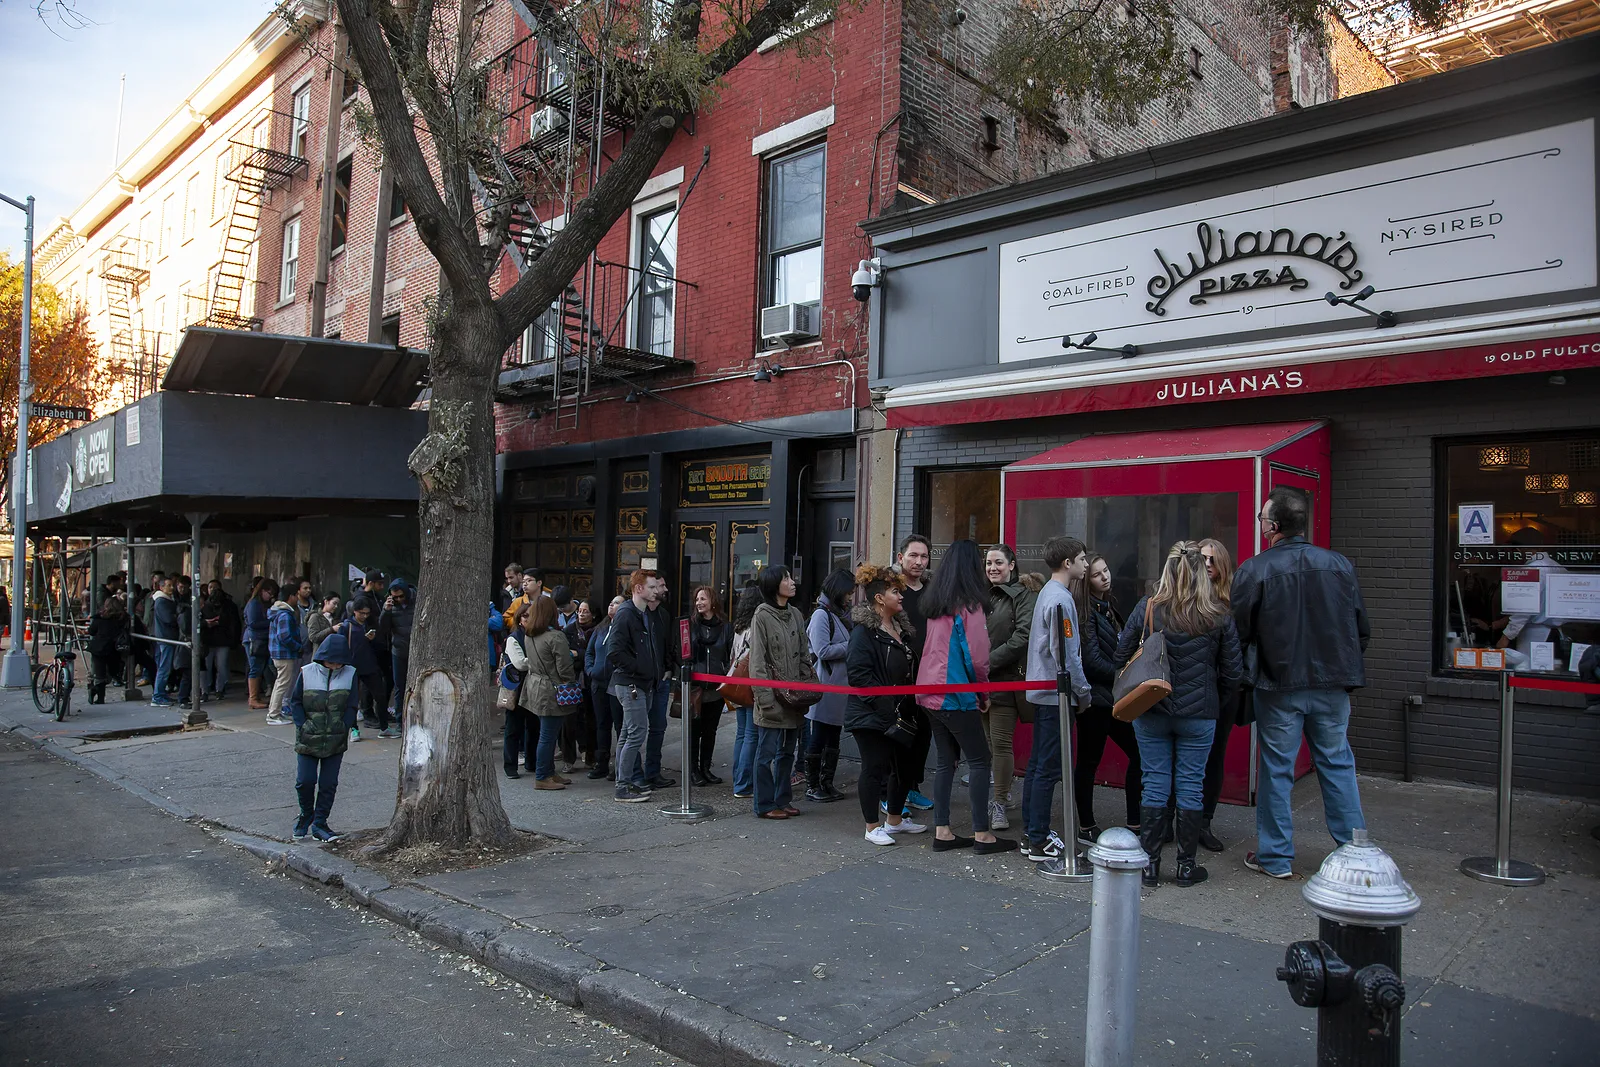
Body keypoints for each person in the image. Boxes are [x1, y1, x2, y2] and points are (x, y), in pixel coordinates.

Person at [1233, 486, 1369, 882]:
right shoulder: (1339, 565)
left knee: (1276, 769)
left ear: (1273, 526)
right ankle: (1355, 851)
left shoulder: (1254, 569)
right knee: (1337, 763)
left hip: (1278, 686)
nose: (1260, 524)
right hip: (1332, 683)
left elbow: (1237, 633)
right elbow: (1360, 628)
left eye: (1262, 519)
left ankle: (1275, 857)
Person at [1116, 542, 1242, 888]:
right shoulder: (1217, 614)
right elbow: (1233, 673)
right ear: (1202, 573)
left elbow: (1121, 653)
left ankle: (1150, 865)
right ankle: (1187, 867)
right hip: (1200, 714)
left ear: (1166, 571)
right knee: (1191, 786)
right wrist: (1213, 698)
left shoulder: (1148, 608)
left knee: (1154, 783)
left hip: (1152, 709)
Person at [916, 539, 1014, 854]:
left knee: (946, 760)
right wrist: (983, 692)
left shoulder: (937, 603)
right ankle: (982, 834)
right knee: (980, 759)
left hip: (928, 691)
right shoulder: (970, 605)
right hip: (954, 693)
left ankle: (943, 831)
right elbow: (978, 659)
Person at [1021, 536, 1093, 863]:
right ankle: (1037, 837)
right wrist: (1083, 692)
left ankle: (1032, 832)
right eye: (1082, 558)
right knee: (1048, 767)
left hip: (1043, 691)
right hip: (1055, 695)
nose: (1086, 564)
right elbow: (1066, 655)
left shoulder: (1047, 594)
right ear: (1068, 563)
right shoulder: (1061, 600)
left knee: (1038, 766)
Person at [846, 564, 927, 845]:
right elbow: (858, 676)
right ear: (880, 598)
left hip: (900, 711)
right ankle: (871, 826)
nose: (901, 596)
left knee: (904, 768)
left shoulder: (900, 629)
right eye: (895, 591)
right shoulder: (864, 632)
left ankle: (894, 820)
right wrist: (884, 707)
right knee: (874, 767)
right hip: (871, 714)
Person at [1071, 552, 1144, 845]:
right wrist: (1123, 671)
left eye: (1106, 570)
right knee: (1088, 762)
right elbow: (1092, 661)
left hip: (1113, 698)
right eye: (1098, 574)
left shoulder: (1108, 607)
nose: (1106, 576)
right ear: (1086, 582)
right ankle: (1086, 825)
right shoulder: (1086, 612)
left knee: (1138, 754)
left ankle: (1135, 822)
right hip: (1096, 701)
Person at [749, 565, 815, 819]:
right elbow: (757, 661)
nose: (792, 581)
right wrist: (765, 699)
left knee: (788, 751)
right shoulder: (761, 616)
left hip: (793, 697)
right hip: (772, 698)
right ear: (773, 585)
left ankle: (782, 799)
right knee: (765, 754)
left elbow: (804, 652)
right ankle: (764, 804)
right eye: (786, 578)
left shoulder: (796, 614)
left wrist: (805, 686)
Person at [286, 633, 360, 842]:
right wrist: (302, 725)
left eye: (338, 662)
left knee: (328, 784)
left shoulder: (351, 674)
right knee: (305, 781)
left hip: (335, 739)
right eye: (331, 661)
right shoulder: (307, 672)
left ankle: (320, 823)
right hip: (308, 737)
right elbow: (296, 701)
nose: (335, 666)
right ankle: (305, 815)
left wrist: (344, 725)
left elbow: (352, 703)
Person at [984, 544, 1035, 827]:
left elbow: (1022, 636)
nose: (993, 568)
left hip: (1006, 682)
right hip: (980, 683)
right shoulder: (981, 597)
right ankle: (1004, 792)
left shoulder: (1023, 597)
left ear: (1012, 565)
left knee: (1001, 744)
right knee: (991, 745)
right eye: (989, 563)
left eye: (999, 563)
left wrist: (987, 662)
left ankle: (1000, 802)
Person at [505, 596, 578, 789]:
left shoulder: (529, 634)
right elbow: (564, 667)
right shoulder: (556, 637)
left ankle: (549, 772)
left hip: (534, 685)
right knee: (548, 734)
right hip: (552, 687)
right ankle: (543, 775)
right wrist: (569, 679)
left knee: (546, 731)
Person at [1193, 537, 1237, 851]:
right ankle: (1175, 821)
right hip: (1189, 692)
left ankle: (1203, 823)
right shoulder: (1181, 596)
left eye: (1212, 560)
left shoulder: (1230, 603)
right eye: (1202, 559)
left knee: (1213, 760)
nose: (1207, 565)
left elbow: (1236, 656)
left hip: (1220, 694)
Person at [607, 570, 664, 803]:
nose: (656, 591)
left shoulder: (642, 614)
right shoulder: (627, 614)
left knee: (628, 734)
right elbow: (614, 652)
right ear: (638, 589)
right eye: (651, 587)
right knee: (635, 733)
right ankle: (623, 786)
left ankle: (625, 781)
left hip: (641, 682)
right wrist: (641, 668)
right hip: (631, 683)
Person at [804, 570, 854, 803]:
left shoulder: (841, 615)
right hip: (825, 685)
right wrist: (850, 645)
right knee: (819, 735)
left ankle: (827, 781)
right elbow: (822, 650)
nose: (850, 597)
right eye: (848, 592)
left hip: (840, 687)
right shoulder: (821, 616)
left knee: (834, 736)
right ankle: (812, 784)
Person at [894, 533, 935, 812]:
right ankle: (894, 792)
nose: (919, 562)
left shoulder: (933, 591)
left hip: (930, 674)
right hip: (899, 676)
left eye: (923, 556)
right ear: (900, 558)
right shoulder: (892, 591)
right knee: (899, 734)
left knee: (923, 734)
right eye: (913, 556)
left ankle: (913, 786)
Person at [689, 586, 732, 787]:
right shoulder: (690, 626)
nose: (699, 603)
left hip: (716, 687)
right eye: (697, 599)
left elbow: (730, 654)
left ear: (713, 601)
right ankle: (693, 770)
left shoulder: (725, 627)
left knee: (710, 731)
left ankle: (706, 767)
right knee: (694, 731)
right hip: (696, 688)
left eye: (703, 599)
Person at [339, 597, 395, 739]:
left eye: (366, 613)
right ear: (355, 612)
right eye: (361, 613)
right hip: (352, 665)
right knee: (352, 699)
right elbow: (342, 646)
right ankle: (354, 729)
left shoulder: (370, 624)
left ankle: (384, 727)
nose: (364, 616)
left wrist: (372, 639)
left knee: (380, 696)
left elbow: (379, 642)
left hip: (370, 665)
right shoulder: (347, 626)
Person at [643, 573, 679, 789]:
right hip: (640, 681)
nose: (664, 589)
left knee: (658, 727)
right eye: (661, 585)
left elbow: (668, 645)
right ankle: (631, 773)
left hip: (662, 679)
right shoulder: (637, 614)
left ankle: (652, 772)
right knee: (633, 729)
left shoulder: (664, 615)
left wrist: (668, 669)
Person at [584, 596, 625, 781]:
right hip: (598, 682)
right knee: (602, 724)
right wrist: (590, 670)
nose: (611, 604)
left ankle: (619, 767)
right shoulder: (600, 629)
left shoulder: (624, 627)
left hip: (616, 683)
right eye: (611, 601)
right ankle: (601, 763)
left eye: (616, 602)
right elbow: (590, 652)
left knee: (619, 725)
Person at [728, 584, 763, 800]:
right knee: (751, 734)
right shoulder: (755, 627)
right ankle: (744, 783)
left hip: (736, 683)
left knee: (741, 734)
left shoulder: (738, 628)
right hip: (750, 684)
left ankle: (738, 779)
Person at [265, 580, 306, 725]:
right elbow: (285, 637)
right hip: (284, 654)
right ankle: (273, 714)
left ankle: (276, 712)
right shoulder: (285, 614)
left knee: (280, 683)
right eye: (296, 595)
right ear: (291, 596)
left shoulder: (278, 612)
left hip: (279, 653)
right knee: (282, 684)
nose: (298, 599)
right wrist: (297, 647)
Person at [379, 579, 415, 722]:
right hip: (399, 651)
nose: (399, 599)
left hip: (415, 650)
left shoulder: (416, 600)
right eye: (395, 597)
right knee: (399, 687)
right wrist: (386, 611)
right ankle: (400, 721)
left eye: (401, 596)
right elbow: (384, 629)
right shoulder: (391, 606)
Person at [200, 580, 242, 700]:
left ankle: (213, 689)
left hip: (218, 640)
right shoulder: (207, 605)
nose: (212, 590)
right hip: (212, 640)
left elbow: (234, 624)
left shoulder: (212, 605)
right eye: (210, 587)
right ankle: (210, 689)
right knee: (210, 667)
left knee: (218, 666)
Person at [85, 596, 130, 704]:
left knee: (100, 673)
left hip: (98, 648)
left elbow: (91, 631)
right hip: (113, 648)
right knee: (112, 671)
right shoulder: (122, 618)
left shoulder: (99, 617)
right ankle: (98, 692)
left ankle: (99, 695)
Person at [244, 578, 277, 710]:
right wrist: (271, 622)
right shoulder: (254, 604)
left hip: (261, 639)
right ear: (262, 591)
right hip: (255, 639)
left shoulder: (260, 604)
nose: (270, 597)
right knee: (255, 668)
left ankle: (255, 697)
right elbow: (253, 623)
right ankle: (253, 698)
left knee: (260, 667)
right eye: (269, 593)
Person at [149, 575, 180, 708]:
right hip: (166, 638)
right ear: (161, 587)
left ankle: (160, 694)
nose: (172, 588)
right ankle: (158, 696)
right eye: (169, 585)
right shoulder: (162, 601)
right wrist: (178, 617)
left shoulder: (166, 600)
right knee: (164, 667)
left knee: (164, 666)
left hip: (165, 637)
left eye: (172, 585)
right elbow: (169, 619)